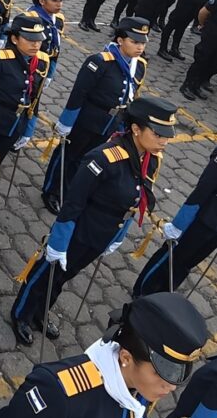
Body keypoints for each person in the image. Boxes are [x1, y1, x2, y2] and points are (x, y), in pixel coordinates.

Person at [11, 96, 176, 346]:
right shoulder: (103, 158)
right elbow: (73, 204)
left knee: (65, 276)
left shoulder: (150, 158)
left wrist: (118, 235)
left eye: (166, 136)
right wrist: (58, 242)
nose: (164, 141)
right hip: (79, 229)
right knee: (48, 272)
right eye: (158, 134)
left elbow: (138, 199)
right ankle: (21, 313)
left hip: (103, 232)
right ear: (135, 129)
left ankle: (39, 312)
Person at [0, 293, 206, 418]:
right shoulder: (59, 393)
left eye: (178, 373)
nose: (170, 386)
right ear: (126, 357)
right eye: (163, 372)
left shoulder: (136, 387)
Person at [42, 17, 149, 213]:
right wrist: (66, 122)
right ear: (120, 40)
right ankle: (52, 191)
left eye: (142, 42)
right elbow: (79, 93)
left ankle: (73, 191)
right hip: (87, 119)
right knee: (69, 156)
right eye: (134, 41)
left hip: (111, 122)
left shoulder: (139, 65)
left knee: (88, 159)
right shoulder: (100, 61)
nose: (140, 47)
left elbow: (131, 96)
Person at [134, 140, 217, 296]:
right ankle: (142, 292)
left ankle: (162, 298)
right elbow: (204, 189)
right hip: (202, 220)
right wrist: (179, 223)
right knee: (171, 257)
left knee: (185, 265)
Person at [0, 15, 50, 161]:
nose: (36, 45)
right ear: (14, 39)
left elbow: (34, 98)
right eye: (30, 40)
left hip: (16, 124)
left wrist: (28, 129)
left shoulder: (42, 62)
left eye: (38, 40)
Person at [23, 0, 67, 81]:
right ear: (42, 1)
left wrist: (50, 73)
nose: (59, 4)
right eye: (54, 0)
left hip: (44, 65)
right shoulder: (31, 17)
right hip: (29, 64)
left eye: (60, 0)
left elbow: (56, 48)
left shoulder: (58, 19)